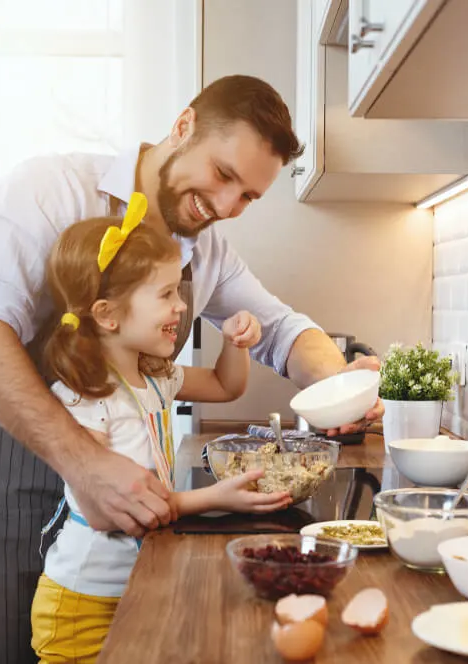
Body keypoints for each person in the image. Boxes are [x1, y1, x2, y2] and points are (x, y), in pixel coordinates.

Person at [0, 74, 383, 664]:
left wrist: (341, 385)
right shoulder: (48, 189)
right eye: (222, 174)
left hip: (116, 535)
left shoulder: (206, 251)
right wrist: (84, 463)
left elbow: (284, 330)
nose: (225, 206)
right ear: (183, 126)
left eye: (247, 198)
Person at [29, 195, 291, 663]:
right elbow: (115, 512)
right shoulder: (83, 400)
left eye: (179, 292)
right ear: (108, 314)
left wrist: (236, 343)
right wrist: (213, 498)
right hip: (81, 606)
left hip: (130, 584)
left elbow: (224, 385)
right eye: (166, 294)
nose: (180, 307)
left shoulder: (154, 376)